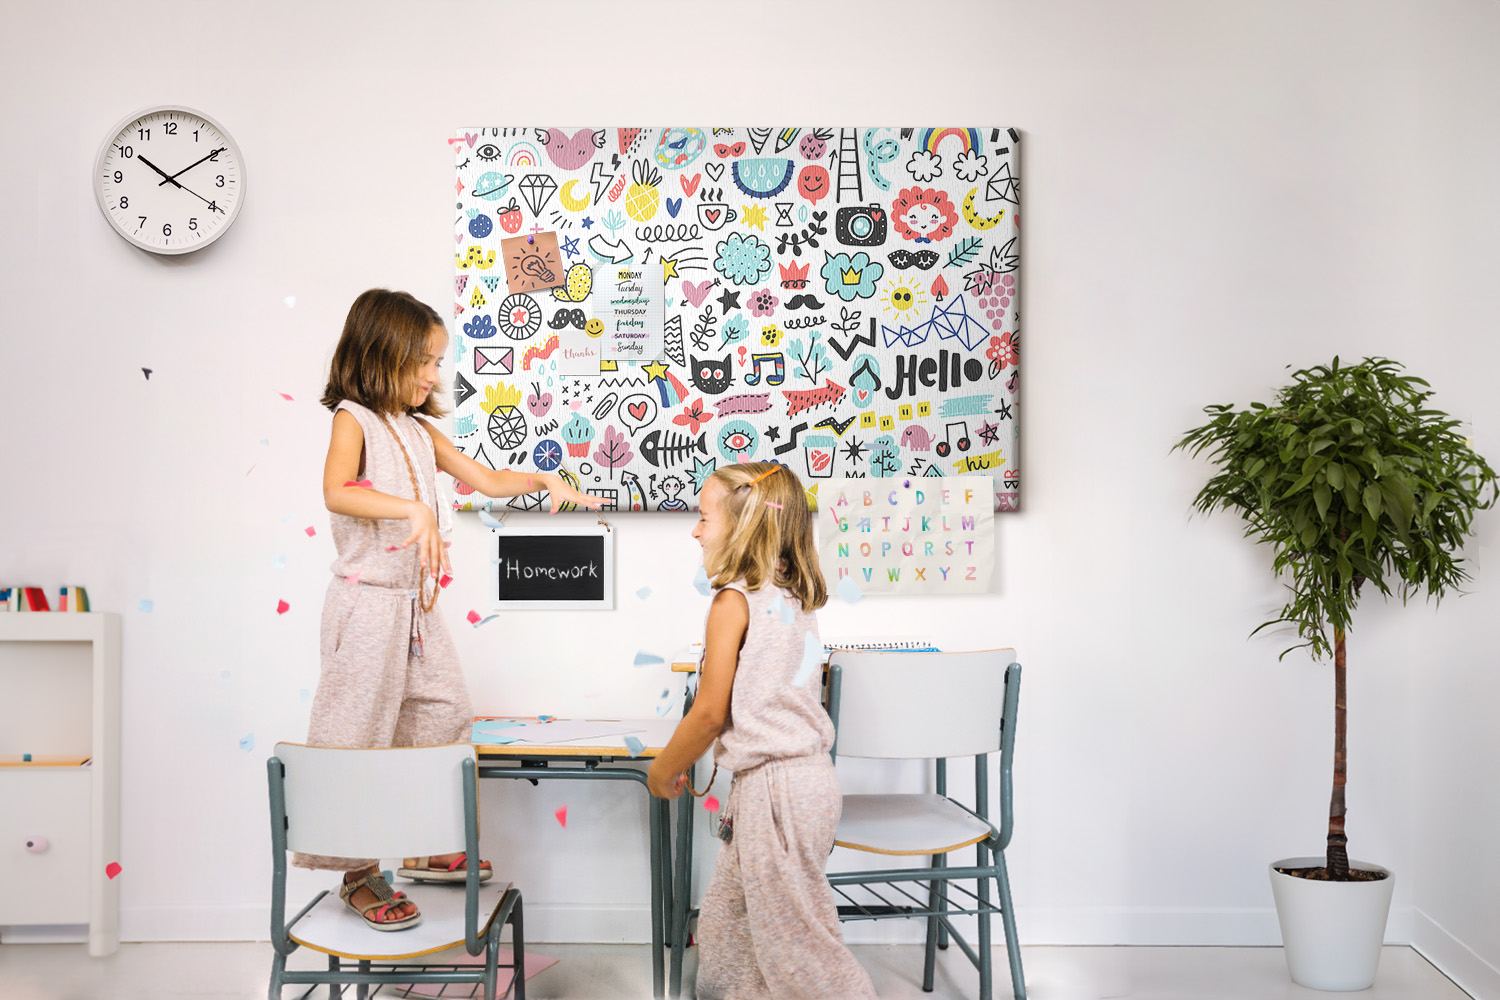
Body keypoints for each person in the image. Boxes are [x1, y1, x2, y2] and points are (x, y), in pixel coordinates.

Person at [303, 288, 604, 930]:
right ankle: (359, 874)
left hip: (416, 609)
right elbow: (335, 491)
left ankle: (425, 840)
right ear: (384, 353)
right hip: (366, 607)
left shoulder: (417, 429)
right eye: (426, 361)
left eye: (438, 362)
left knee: (443, 712)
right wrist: (412, 510)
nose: (434, 375)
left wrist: (543, 479)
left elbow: (485, 480)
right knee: (359, 735)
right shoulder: (354, 419)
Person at [647, 462, 878, 998]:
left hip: (776, 790)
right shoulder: (789, 596)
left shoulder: (733, 601)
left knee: (797, 945)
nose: (695, 531)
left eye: (704, 518)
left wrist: (663, 769)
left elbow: (709, 713)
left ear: (743, 525)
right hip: (795, 785)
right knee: (729, 928)